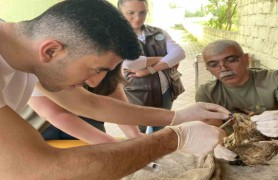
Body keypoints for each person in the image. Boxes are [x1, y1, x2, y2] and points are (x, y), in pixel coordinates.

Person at [0, 0, 231, 179]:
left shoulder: (28, 54)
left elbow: (90, 103)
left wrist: (177, 116)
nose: (93, 83)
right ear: (51, 51)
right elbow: (38, 170)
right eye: (95, 69)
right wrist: (175, 138)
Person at [195, 39, 278, 161]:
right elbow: (214, 130)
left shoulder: (275, 80)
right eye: (213, 64)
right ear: (208, 68)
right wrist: (218, 145)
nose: (223, 68)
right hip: (234, 150)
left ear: (246, 59)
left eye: (231, 60)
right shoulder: (207, 93)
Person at [28, 63, 143, 144]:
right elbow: (56, 114)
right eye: (96, 70)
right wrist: (112, 144)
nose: (93, 81)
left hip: (87, 118)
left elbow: (116, 100)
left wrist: (135, 135)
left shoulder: (110, 63)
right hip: (41, 125)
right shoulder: (39, 64)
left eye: (106, 70)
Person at [118, 0, 186, 133]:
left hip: (165, 89)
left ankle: (157, 149)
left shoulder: (157, 32)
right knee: (139, 129)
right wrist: (164, 59)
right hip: (136, 91)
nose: (137, 18)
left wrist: (149, 69)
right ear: (120, 13)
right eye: (131, 13)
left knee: (161, 125)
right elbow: (129, 62)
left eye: (142, 12)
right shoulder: (116, 37)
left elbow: (179, 53)